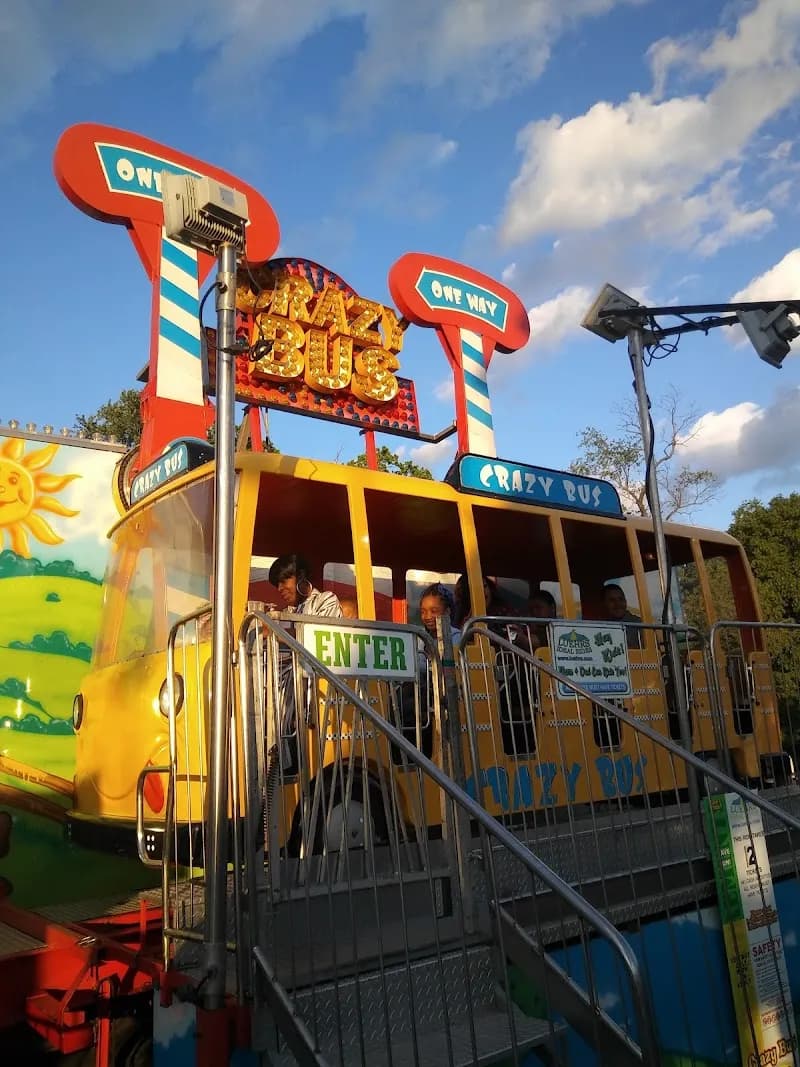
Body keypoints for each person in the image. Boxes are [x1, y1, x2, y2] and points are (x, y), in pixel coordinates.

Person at [602, 583, 643, 650]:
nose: (618, 604)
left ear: (625, 601)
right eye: (612, 600)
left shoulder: (639, 625)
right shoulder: (599, 626)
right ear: (604, 603)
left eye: (621, 599)